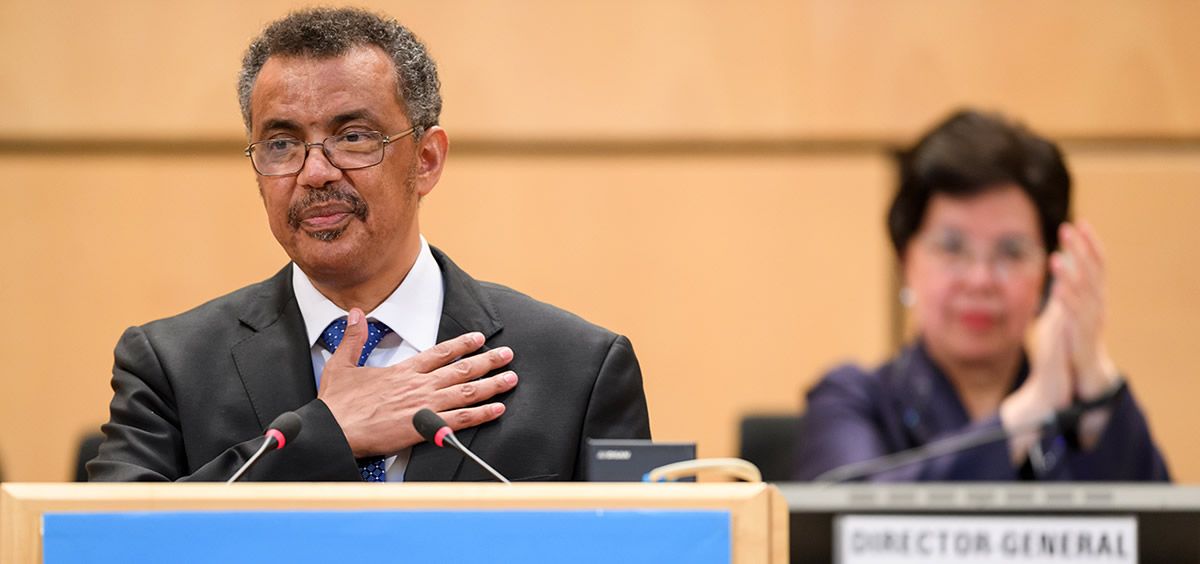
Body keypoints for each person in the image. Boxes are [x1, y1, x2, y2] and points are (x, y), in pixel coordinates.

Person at [88, 7, 650, 482]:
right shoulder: (171, 366)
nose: (314, 172)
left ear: (426, 160)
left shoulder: (578, 369)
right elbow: (110, 542)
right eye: (281, 144)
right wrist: (325, 434)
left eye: (353, 137)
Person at [794, 110, 1169, 481]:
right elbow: (854, 508)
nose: (980, 280)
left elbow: (1161, 520)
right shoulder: (852, 400)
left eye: (1011, 252)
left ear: (1049, 273)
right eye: (952, 248)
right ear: (906, 263)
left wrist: (1095, 380)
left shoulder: (1084, 419)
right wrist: (1031, 411)